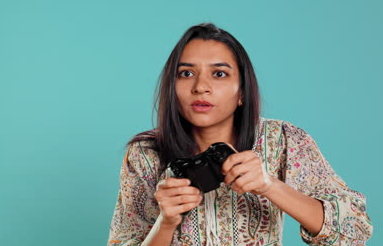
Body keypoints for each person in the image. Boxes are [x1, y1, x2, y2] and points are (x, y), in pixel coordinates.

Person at [107, 23, 373, 246]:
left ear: (243, 91)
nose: (201, 87)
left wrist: (270, 185)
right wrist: (166, 222)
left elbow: (354, 231)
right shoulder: (146, 154)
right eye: (186, 73)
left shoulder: (283, 140)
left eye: (219, 74)